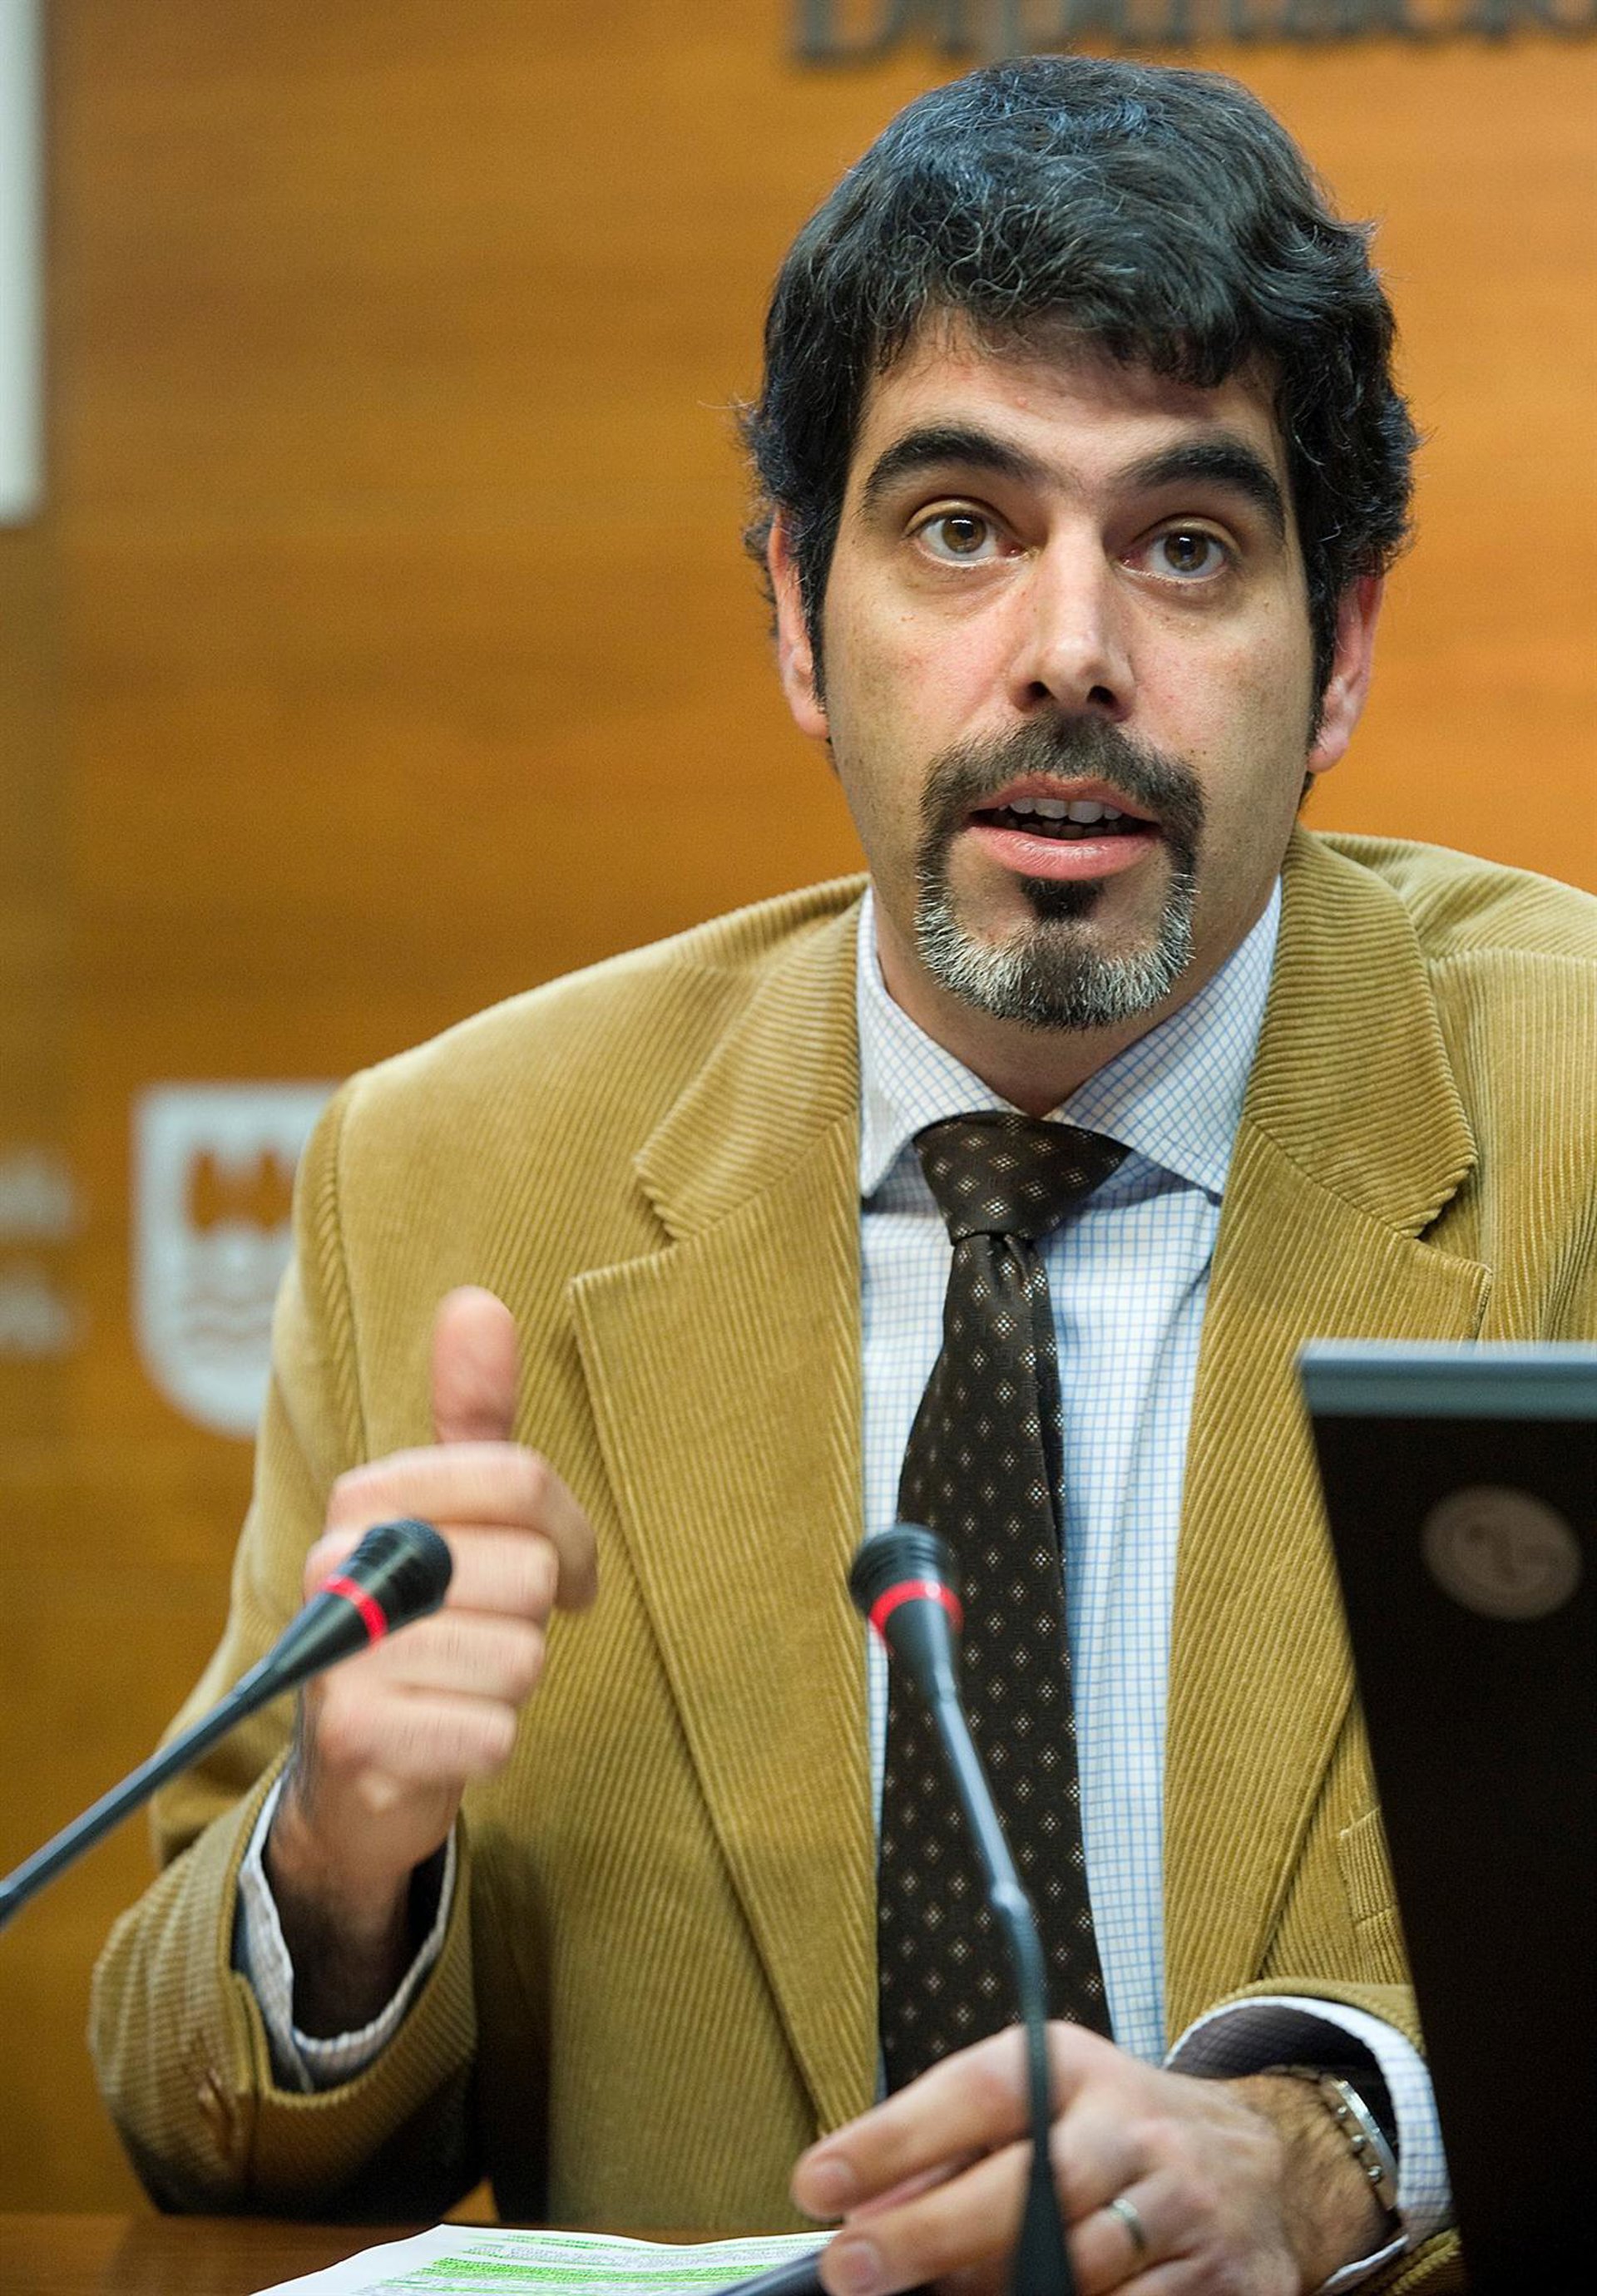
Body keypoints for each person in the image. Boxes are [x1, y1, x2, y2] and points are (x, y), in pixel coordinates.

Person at [91, 55, 1593, 2295]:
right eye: (961, 527)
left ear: (1341, 646)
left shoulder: (1571, 1106)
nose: (1070, 652)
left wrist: (1336, 2137)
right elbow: (187, 2121)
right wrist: (347, 1848)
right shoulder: (459, 1174)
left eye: (1187, 545)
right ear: (800, 612)